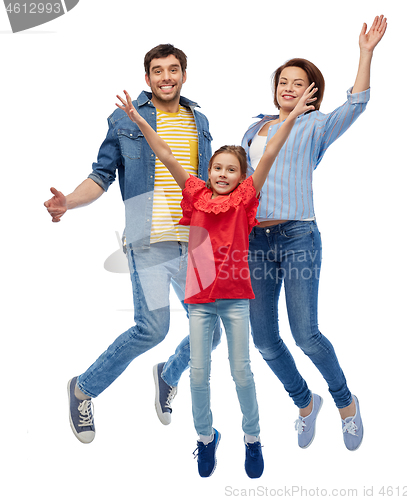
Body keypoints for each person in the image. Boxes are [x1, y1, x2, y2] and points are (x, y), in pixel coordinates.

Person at [155, 15, 387, 453]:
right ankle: (304, 404)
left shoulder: (315, 126)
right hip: (252, 244)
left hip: (298, 236)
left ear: (311, 92)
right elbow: (231, 180)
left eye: (298, 83)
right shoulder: (253, 128)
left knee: (306, 335)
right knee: (264, 340)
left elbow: (356, 104)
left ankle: (345, 404)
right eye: (283, 81)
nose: (288, 88)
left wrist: (365, 53)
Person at [116, 81, 318, 477]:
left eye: (231, 170)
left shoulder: (245, 199)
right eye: (217, 168)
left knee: (241, 369)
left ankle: (253, 438)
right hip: (199, 301)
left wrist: (291, 117)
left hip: (235, 299)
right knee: (199, 374)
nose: (223, 174)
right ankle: (206, 439)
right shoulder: (194, 193)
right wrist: (139, 119)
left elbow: (271, 152)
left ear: (241, 176)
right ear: (208, 171)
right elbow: (166, 155)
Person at [43, 44, 221, 444]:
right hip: (150, 240)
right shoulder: (126, 121)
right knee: (152, 329)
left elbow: (208, 184)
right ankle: (83, 389)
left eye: (173, 70)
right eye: (157, 71)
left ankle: (167, 374)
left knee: (212, 332)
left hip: (196, 242)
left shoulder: (200, 120)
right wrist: (68, 202)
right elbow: (101, 176)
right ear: (147, 79)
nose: (166, 78)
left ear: (184, 75)